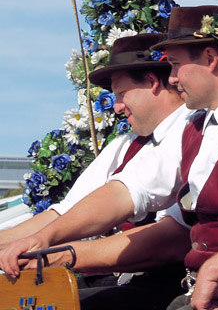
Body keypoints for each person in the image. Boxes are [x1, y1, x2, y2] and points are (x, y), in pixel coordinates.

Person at [1, 6, 218, 310]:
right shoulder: (195, 127)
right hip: (210, 283)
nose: (172, 78)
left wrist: (215, 269)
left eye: (175, 65)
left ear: (210, 57)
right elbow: (128, 192)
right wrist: (50, 242)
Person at [0, 32, 192, 309]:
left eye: (121, 94)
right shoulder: (125, 144)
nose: (116, 107)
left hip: (174, 279)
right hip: (124, 277)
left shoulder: (191, 130)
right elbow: (66, 212)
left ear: (151, 83)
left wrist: (48, 247)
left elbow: (129, 198)